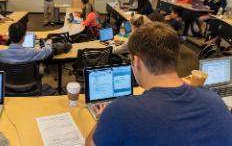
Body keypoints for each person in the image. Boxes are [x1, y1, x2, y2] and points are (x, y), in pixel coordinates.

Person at [86, 22, 232, 146]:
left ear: (136, 61)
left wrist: (101, 118)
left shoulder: (120, 110)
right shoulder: (214, 100)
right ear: (176, 57)